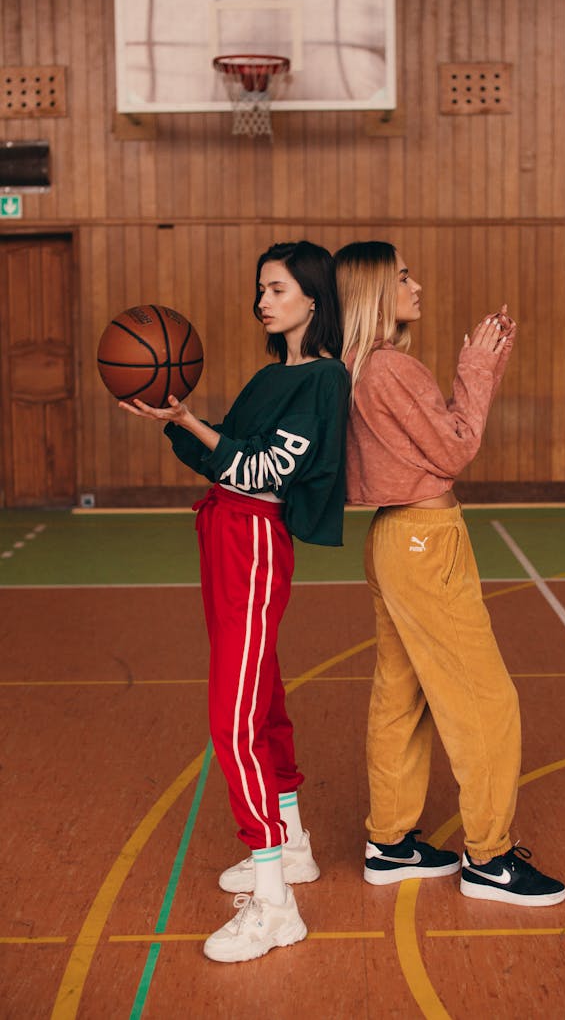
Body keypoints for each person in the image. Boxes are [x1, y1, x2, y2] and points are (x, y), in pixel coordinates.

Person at [120, 240, 350, 961]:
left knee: (233, 718)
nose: (263, 300)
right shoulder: (267, 376)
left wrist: (190, 424)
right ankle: (293, 847)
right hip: (223, 533)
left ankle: (276, 904)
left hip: (254, 540)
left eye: (276, 288)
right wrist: (172, 416)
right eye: (259, 289)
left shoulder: (322, 380)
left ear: (312, 297)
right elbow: (223, 450)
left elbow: (257, 467)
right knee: (265, 701)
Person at [334, 240, 565, 906]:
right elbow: (457, 445)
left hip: (390, 539)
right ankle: (490, 859)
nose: (418, 284)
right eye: (403, 275)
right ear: (378, 290)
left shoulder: (354, 366)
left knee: (400, 696)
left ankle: (391, 841)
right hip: (425, 542)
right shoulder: (392, 369)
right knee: (487, 702)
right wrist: (479, 366)